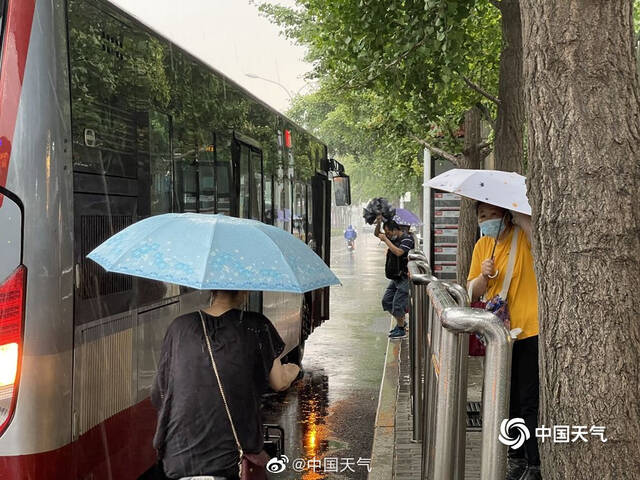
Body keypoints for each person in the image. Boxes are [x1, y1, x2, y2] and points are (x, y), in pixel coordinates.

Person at [151, 290, 301, 480]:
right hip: (230, 461)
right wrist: (293, 370)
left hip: (180, 457)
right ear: (244, 291)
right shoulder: (255, 325)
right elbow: (279, 382)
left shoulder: (179, 327)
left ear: (211, 289)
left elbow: (159, 394)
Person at [466, 202, 540, 480]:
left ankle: (534, 464)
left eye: (492, 215)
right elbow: (471, 290)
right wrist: (483, 277)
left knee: (528, 400)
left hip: (530, 330)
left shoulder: (523, 236)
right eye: (482, 216)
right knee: (505, 400)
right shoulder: (482, 246)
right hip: (498, 334)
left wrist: (523, 220)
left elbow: (541, 249)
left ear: (505, 214)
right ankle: (515, 458)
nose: (486, 221)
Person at [374, 216, 415, 339]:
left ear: (396, 230)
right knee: (386, 301)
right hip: (395, 277)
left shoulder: (407, 239)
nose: (387, 235)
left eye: (389, 232)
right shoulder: (392, 237)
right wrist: (379, 223)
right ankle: (401, 322)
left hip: (404, 276)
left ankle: (401, 329)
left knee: (398, 304)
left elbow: (399, 252)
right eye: (386, 233)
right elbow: (377, 233)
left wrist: (386, 240)